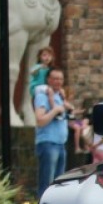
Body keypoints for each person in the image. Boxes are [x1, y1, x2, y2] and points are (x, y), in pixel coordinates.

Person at [33, 68, 74, 196]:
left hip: (61, 144)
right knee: (47, 184)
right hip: (48, 143)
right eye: (55, 78)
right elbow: (40, 120)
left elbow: (71, 111)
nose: (58, 81)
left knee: (59, 185)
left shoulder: (59, 96)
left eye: (60, 79)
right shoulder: (42, 96)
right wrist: (55, 111)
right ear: (48, 80)